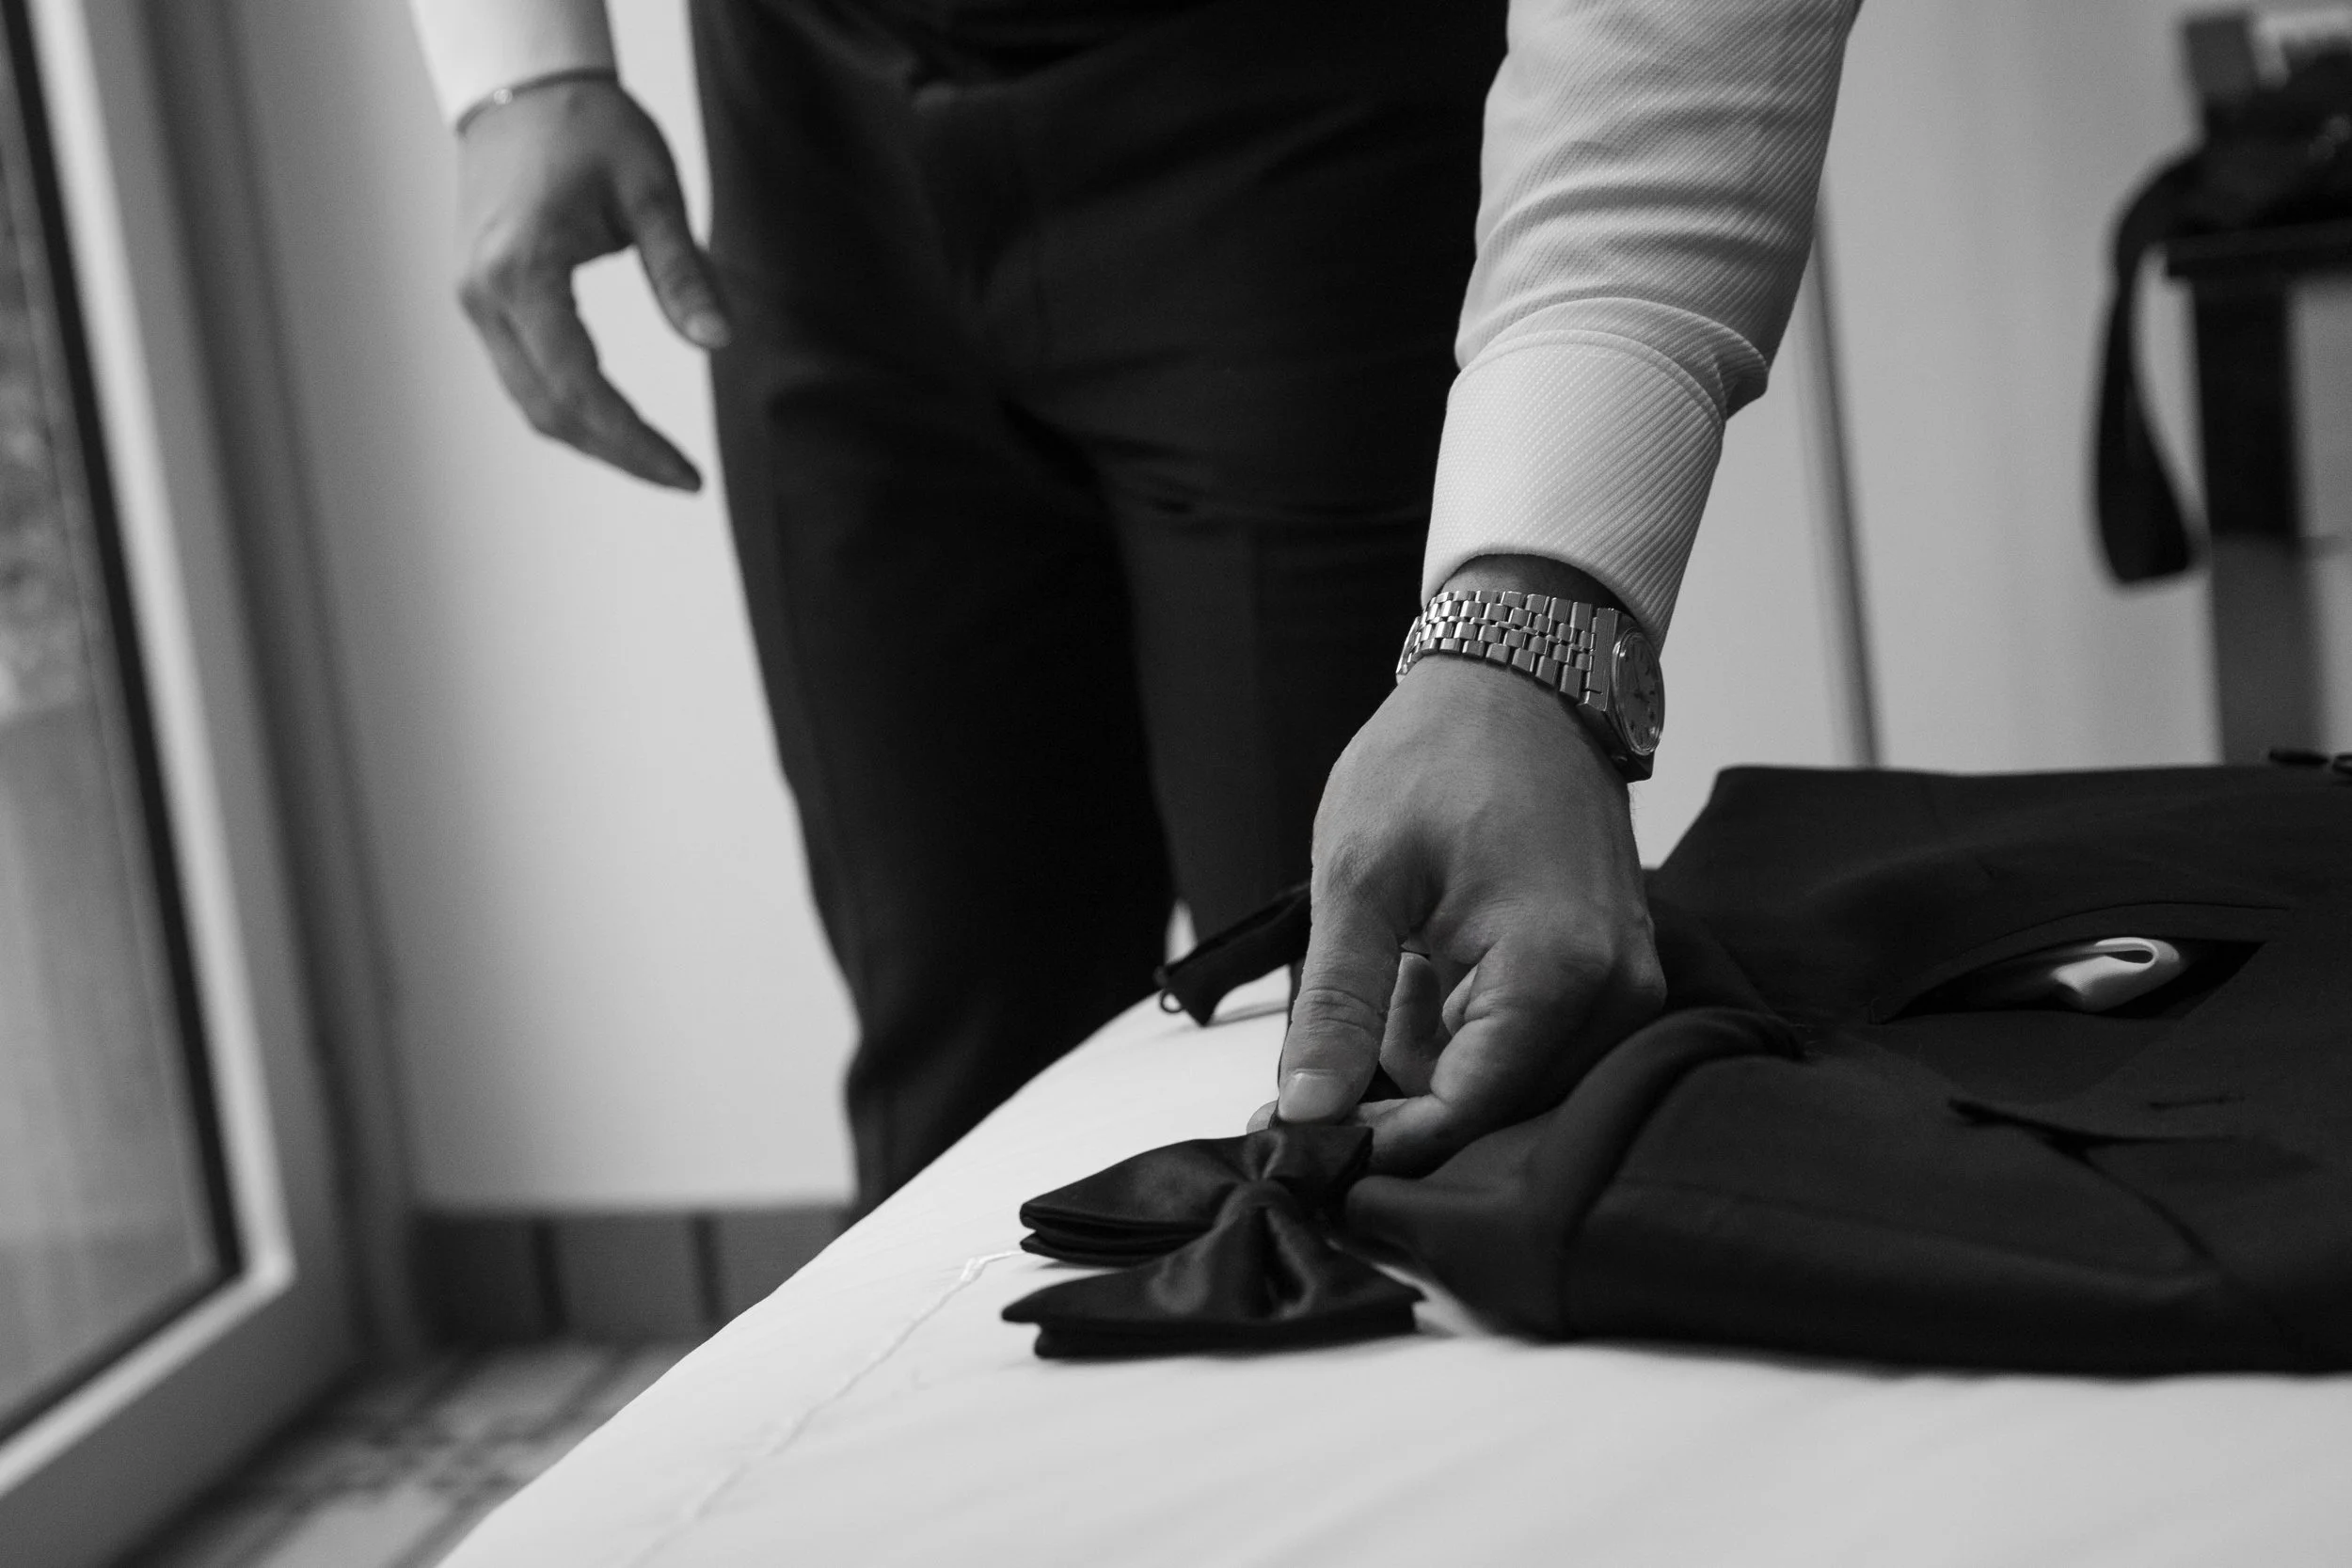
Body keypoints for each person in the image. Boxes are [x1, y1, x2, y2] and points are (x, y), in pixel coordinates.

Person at [409, 0, 1857, 1208]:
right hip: (811, 119)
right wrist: (516, 65)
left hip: (1306, 113)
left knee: (1390, 1064)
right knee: (949, 1060)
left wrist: (1533, 628)